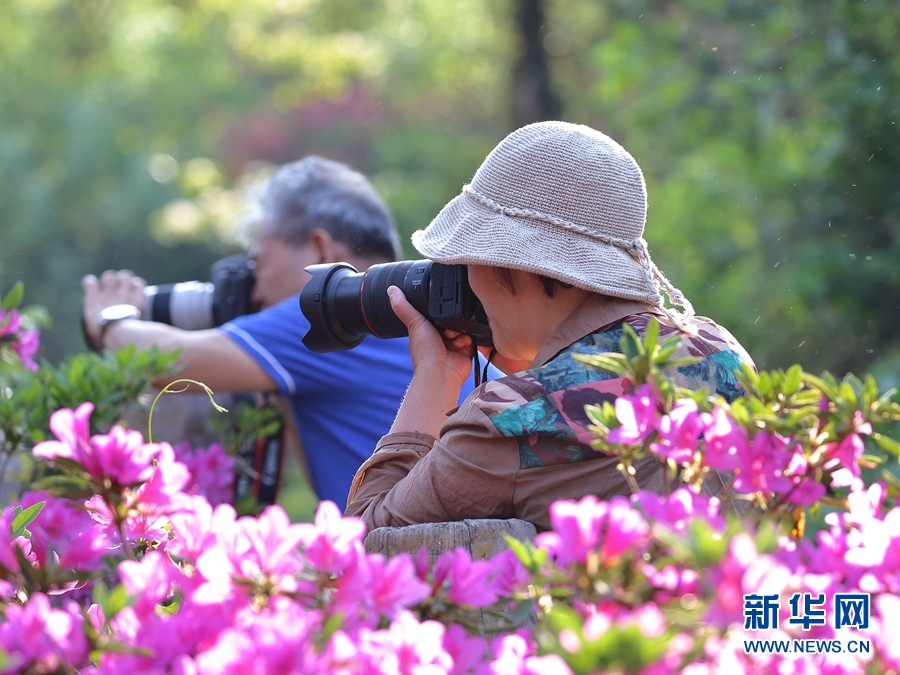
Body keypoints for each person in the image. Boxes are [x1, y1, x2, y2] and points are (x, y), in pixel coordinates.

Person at [344, 121, 756, 532]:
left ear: (507, 262)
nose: (463, 276)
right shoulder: (719, 352)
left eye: (465, 257)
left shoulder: (509, 419)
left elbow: (362, 548)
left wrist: (434, 376)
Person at [82, 156, 447, 507]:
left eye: (259, 263)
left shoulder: (332, 317)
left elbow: (165, 362)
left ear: (319, 250)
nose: (254, 292)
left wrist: (111, 317)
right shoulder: (407, 311)